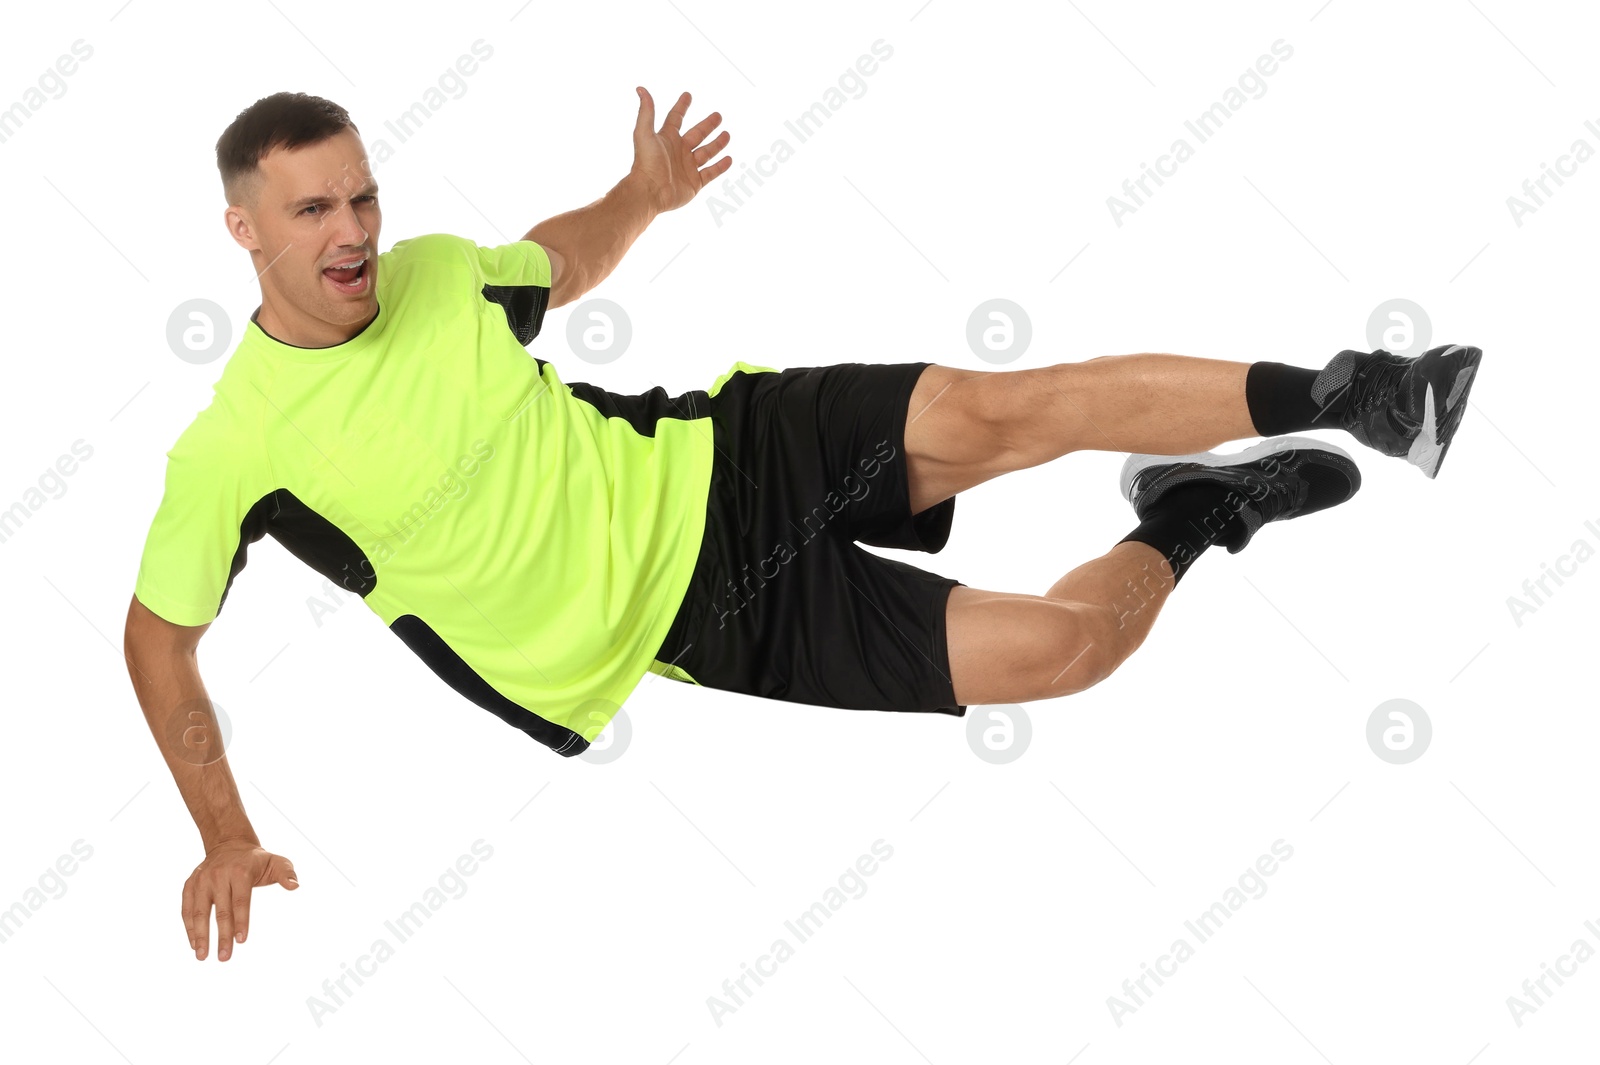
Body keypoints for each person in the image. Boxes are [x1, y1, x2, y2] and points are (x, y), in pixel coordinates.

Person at [123, 90, 1482, 963]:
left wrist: (642, 195)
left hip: (727, 452)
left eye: (364, 194)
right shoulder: (237, 449)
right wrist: (223, 830)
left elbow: (559, 258)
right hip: (713, 619)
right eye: (316, 209)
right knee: (1068, 650)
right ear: (244, 229)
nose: (355, 229)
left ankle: (1357, 391)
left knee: (1016, 407)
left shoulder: (430, 275)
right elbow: (157, 645)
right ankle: (1198, 510)